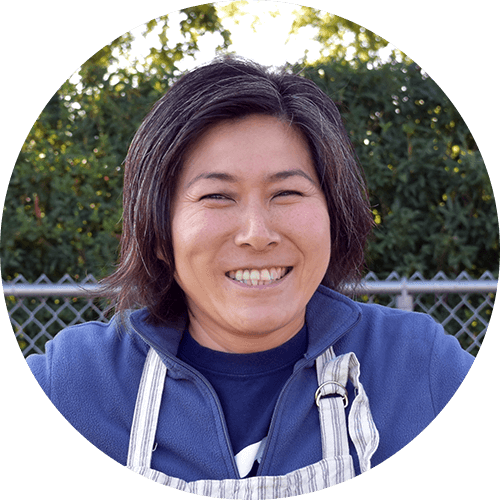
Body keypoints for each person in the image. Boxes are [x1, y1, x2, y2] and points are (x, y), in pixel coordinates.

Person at [26, 57, 474, 498]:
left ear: (334, 217)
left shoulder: (420, 366)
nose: (257, 235)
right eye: (217, 196)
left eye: (287, 192)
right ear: (159, 233)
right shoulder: (72, 382)